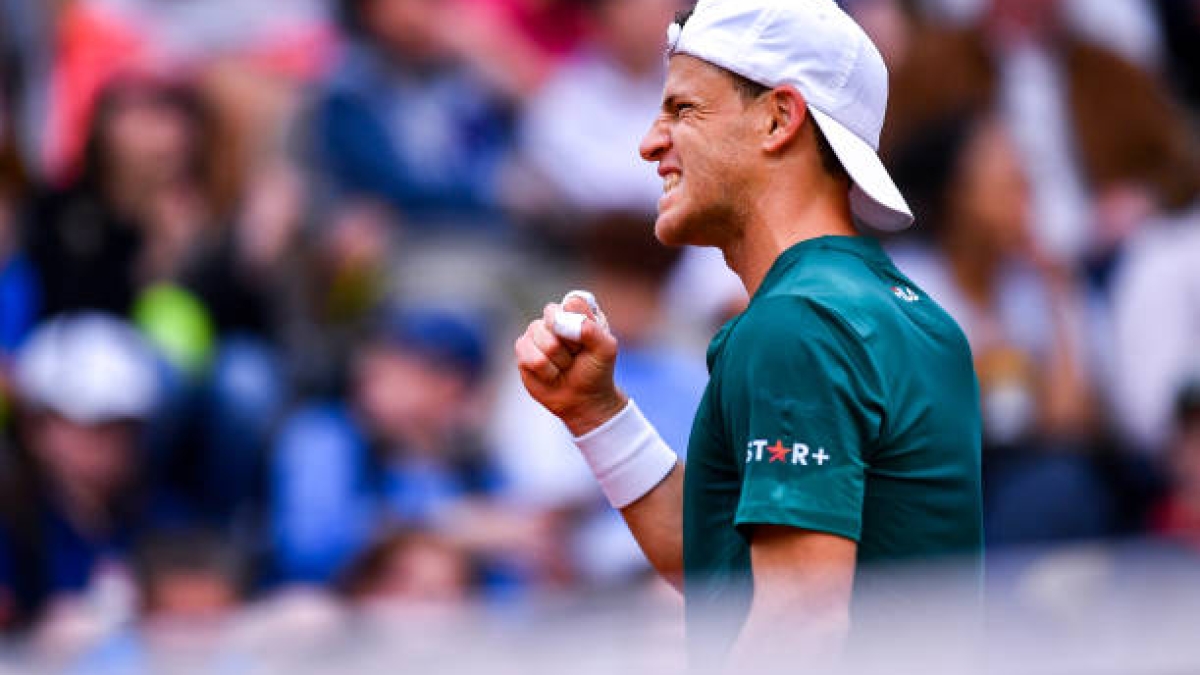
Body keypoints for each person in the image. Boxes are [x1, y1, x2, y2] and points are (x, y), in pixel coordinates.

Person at [514, 0, 983, 666]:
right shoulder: (912, 314)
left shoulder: (797, 323)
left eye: (683, 110)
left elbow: (799, 622)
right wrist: (597, 414)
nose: (650, 142)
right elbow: (726, 563)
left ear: (779, 118)